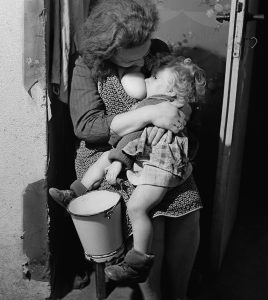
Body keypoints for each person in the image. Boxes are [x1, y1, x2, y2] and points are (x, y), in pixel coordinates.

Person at [50, 1, 203, 299]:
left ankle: (180, 292)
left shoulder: (157, 48)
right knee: (153, 214)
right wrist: (148, 114)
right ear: (109, 51)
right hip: (106, 154)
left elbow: (182, 90)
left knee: (189, 204)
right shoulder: (87, 65)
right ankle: (153, 295)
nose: (147, 56)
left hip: (158, 146)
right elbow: (87, 126)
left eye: (147, 48)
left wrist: (179, 108)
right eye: (134, 54)